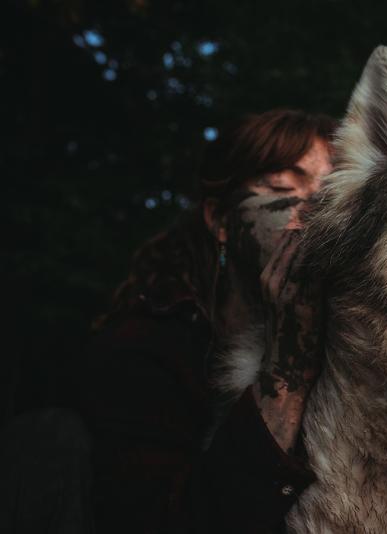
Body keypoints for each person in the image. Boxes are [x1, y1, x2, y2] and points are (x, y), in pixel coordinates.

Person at [76, 109, 335, 533]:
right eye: (283, 188)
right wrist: (291, 356)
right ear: (219, 220)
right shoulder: (146, 349)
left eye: (333, 197)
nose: (316, 214)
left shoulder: (357, 356)